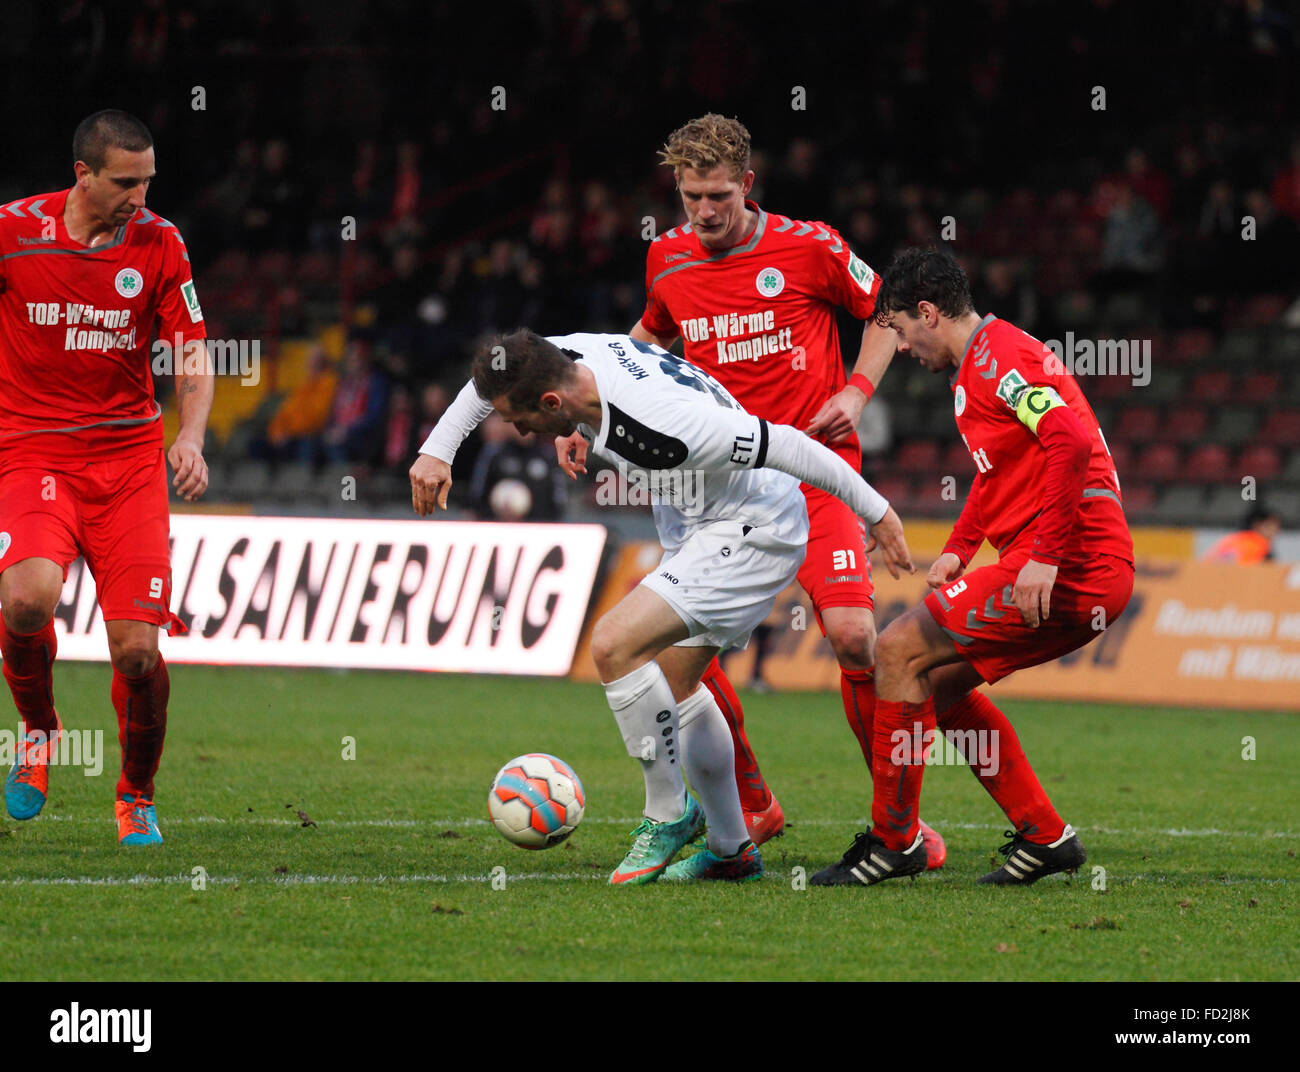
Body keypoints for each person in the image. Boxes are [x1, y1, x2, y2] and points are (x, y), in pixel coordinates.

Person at [555, 114, 945, 866]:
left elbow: (886, 314)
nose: (704, 212)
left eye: (719, 196)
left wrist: (859, 392)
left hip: (816, 472)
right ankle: (752, 809)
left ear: (748, 185)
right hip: (715, 488)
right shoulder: (666, 258)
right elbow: (645, 342)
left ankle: (899, 830)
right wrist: (588, 410)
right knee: (676, 653)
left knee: (856, 638)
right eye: (691, 196)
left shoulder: (811, 246)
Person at [409, 330, 913, 883]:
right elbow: (497, 375)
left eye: (522, 421)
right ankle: (731, 850)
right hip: (701, 518)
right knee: (676, 685)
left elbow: (791, 448)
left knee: (612, 643)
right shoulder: (570, 358)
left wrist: (879, 512)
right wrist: (438, 448)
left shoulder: (666, 422)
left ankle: (668, 812)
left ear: (552, 402)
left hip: (751, 530)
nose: (521, 431)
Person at [812, 246, 1134, 886]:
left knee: (897, 653)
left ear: (927, 313)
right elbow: (1001, 475)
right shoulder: (981, 366)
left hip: (1073, 563)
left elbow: (1068, 440)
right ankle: (1046, 837)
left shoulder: (1000, 361)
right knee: (940, 682)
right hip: (1068, 560)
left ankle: (894, 841)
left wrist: (1043, 558)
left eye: (900, 331)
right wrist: (961, 546)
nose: (901, 347)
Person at [0, 110, 212, 844]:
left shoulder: (160, 242)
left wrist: (190, 436)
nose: (141, 195)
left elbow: (191, 348)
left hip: (127, 463)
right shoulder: (12, 232)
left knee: (137, 651)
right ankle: (39, 731)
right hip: (32, 452)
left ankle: (135, 793)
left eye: (149, 179)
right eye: (127, 181)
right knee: (27, 599)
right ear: (83, 175)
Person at [1202, 505, 1282, 563]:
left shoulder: (1234, 538)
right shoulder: (1258, 544)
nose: (1276, 531)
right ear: (1257, 525)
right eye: (1271, 526)